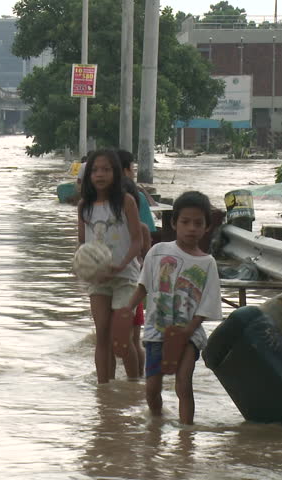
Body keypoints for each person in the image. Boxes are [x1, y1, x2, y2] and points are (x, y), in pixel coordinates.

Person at [123, 191, 222, 425]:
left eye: (198, 223)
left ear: (207, 227)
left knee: (183, 384)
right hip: (156, 332)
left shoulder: (208, 263)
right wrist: (127, 310)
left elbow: (207, 304)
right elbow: (143, 287)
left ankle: (186, 435)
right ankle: (155, 424)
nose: (191, 228)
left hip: (190, 334)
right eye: (185, 222)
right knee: (151, 388)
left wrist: (188, 330)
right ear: (173, 223)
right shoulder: (158, 252)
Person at [77, 149, 142, 383]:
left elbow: (138, 240)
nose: (100, 175)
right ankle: (104, 392)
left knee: (121, 340)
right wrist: (85, 268)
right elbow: (82, 244)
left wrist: (122, 263)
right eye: (94, 170)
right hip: (98, 280)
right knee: (102, 334)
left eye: (106, 169)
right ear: (88, 175)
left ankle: (134, 387)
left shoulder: (126, 202)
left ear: (116, 172)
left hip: (126, 277)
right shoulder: (84, 205)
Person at [122, 177, 152, 377]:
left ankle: (137, 379)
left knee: (133, 340)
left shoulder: (141, 229)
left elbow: (149, 260)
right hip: (122, 285)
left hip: (134, 287)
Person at [117, 150, 157, 233]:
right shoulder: (137, 197)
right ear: (125, 171)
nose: (134, 174)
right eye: (132, 169)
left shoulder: (97, 197)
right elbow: (149, 231)